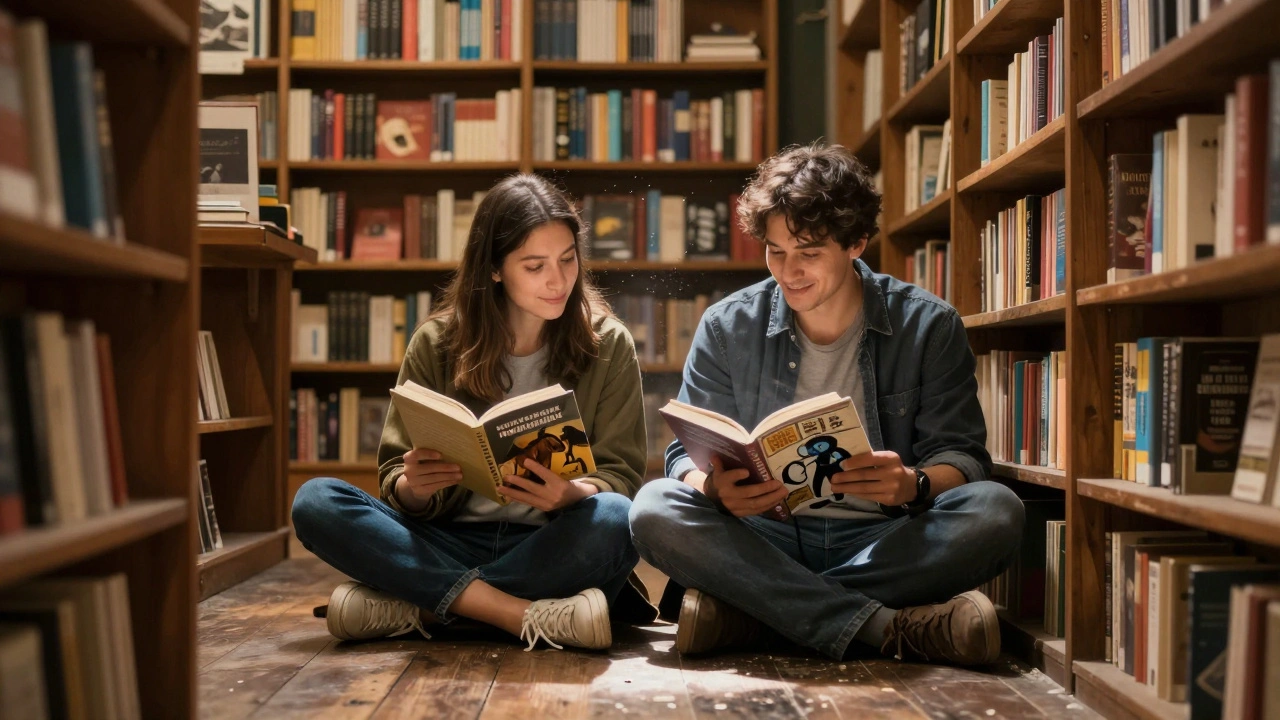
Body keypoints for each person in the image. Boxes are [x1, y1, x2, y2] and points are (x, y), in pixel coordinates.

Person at [628, 143, 1025, 665]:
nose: (788, 271)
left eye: (809, 253)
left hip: (883, 538)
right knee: (654, 506)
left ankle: (755, 613)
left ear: (856, 243)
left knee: (996, 511)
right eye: (775, 251)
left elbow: (963, 456)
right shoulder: (727, 326)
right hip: (763, 536)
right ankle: (882, 626)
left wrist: (915, 483)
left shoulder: (928, 325)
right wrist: (711, 487)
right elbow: (684, 456)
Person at [292, 174, 650, 651]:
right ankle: (517, 613)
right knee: (316, 501)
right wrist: (414, 489)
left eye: (568, 259)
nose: (558, 280)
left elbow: (621, 475)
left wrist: (572, 494)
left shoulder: (608, 343)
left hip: (547, 543)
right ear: (495, 269)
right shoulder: (436, 343)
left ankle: (423, 607)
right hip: (445, 538)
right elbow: (395, 476)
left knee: (615, 519)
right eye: (535, 266)